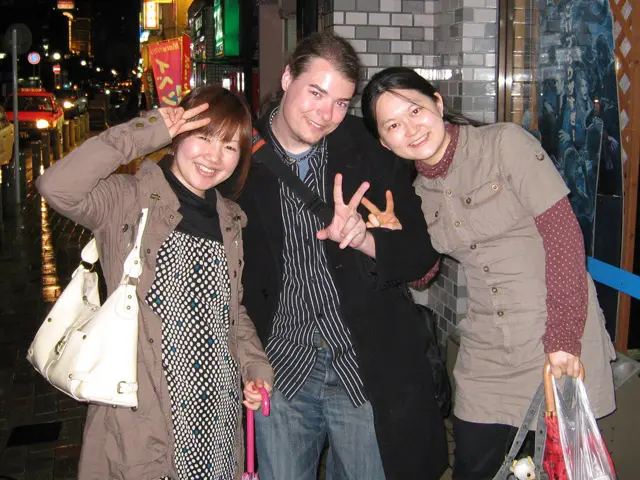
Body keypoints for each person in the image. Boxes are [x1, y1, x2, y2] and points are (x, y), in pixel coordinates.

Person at [360, 67, 616, 479]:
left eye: (415, 110)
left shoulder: (504, 144)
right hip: (488, 353)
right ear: (384, 141)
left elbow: (564, 237)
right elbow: (424, 274)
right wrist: (396, 241)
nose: (410, 129)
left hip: (554, 335)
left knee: (558, 467)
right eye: (393, 125)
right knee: (474, 464)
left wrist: (563, 338)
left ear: (437, 102)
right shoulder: (416, 194)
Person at [236, 33, 448, 480]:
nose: (325, 114)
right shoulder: (239, 156)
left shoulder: (368, 149)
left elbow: (420, 257)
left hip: (363, 365)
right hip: (280, 368)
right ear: (288, 77)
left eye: (340, 102)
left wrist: (368, 239)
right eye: (316, 93)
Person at [37, 85, 273, 480]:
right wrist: (147, 130)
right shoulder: (128, 199)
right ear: (177, 135)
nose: (214, 156)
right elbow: (56, 186)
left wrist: (254, 365)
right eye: (203, 137)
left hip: (217, 414)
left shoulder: (229, 218)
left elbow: (229, 309)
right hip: (144, 412)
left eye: (230, 146)